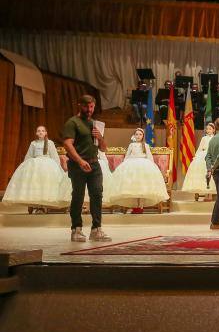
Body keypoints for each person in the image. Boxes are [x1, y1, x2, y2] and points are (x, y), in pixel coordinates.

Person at [62, 95, 110, 242]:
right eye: (86, 106)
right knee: (78, 195)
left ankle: (96, 229)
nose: (89, 110)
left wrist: (100, 137)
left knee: (97, 195)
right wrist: (80, 161)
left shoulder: (95, 124)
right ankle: (76, 229)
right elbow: (67, 144)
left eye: (91, 107)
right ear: (79, 105)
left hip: (94, 164)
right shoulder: (72, 122)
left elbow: (104, 148)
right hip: (78, 165)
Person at [3, 125, 66, 208]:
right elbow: (29, 155)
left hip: (47, 165)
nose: (41, 132)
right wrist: (24, 167)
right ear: (36, 133)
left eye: (43, 131)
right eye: (39, 131)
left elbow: (54, 156)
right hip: (36, 164)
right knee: (36, 182)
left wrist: (58, 167)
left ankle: (46, 201)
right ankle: (37, 202)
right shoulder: (33, 143)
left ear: (46, 133)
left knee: (46, 182)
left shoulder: (49, 143)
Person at [109, 128, 169, 211]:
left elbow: (149, 157)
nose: (138, 136)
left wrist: (152, 167)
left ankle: (141, 206)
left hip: (143, 164)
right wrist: (125, 166)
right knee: (133, 187)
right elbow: (126, 156)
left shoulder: (146, 145)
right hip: (132, 164)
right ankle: (134, 206)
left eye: (140, 134)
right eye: (136, 134)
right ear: (134, 135)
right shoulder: (131, 145)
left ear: (143, 136)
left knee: (142, 186)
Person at [181, 123, 217, 195]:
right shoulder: (204, 138)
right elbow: (200, 148)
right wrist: (196, 156)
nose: (208, 130)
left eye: (210, 129)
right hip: (203, 155)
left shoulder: (215, 138)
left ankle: (211, 190)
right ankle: (201, 188)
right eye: (207, 129)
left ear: (214, 130)